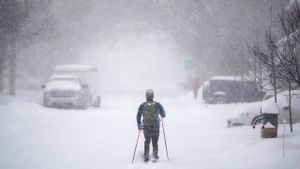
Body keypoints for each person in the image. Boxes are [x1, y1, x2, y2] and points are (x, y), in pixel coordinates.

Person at [136, 89, 166, 162]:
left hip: (146, 126)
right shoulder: (158, 105)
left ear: (146, 96)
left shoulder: (142, 105)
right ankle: (155, 155)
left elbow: (138, 116)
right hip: (156, 126)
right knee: (155, 141)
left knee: (147, 141)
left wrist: (139, 125)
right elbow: (164, 115)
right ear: (153, 96)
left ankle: (146, 155)